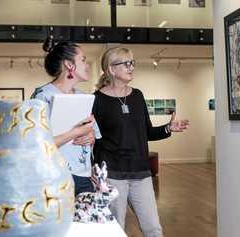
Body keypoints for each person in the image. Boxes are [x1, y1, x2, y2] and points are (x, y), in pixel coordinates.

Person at [92, 47, 189, 237]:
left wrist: (168, 128)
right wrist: (94, 171)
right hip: (112, 174)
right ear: (111, 69)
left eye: (132, 62)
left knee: (153, 228)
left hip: (141, 173)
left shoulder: (137, 96)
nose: (131, 67)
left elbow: (147, 132)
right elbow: (94, 141)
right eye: (126, 63)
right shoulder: (97, 100)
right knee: (116, 229)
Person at [31, 37, 101, 196]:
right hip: (55, 176)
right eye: (83, 60)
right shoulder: (42, 96)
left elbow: (93, 136)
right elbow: (38, 144)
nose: (87, 65)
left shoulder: (83, 97)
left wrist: (90, 136)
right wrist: (74, 133)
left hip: (84, 177)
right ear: (69, 65)